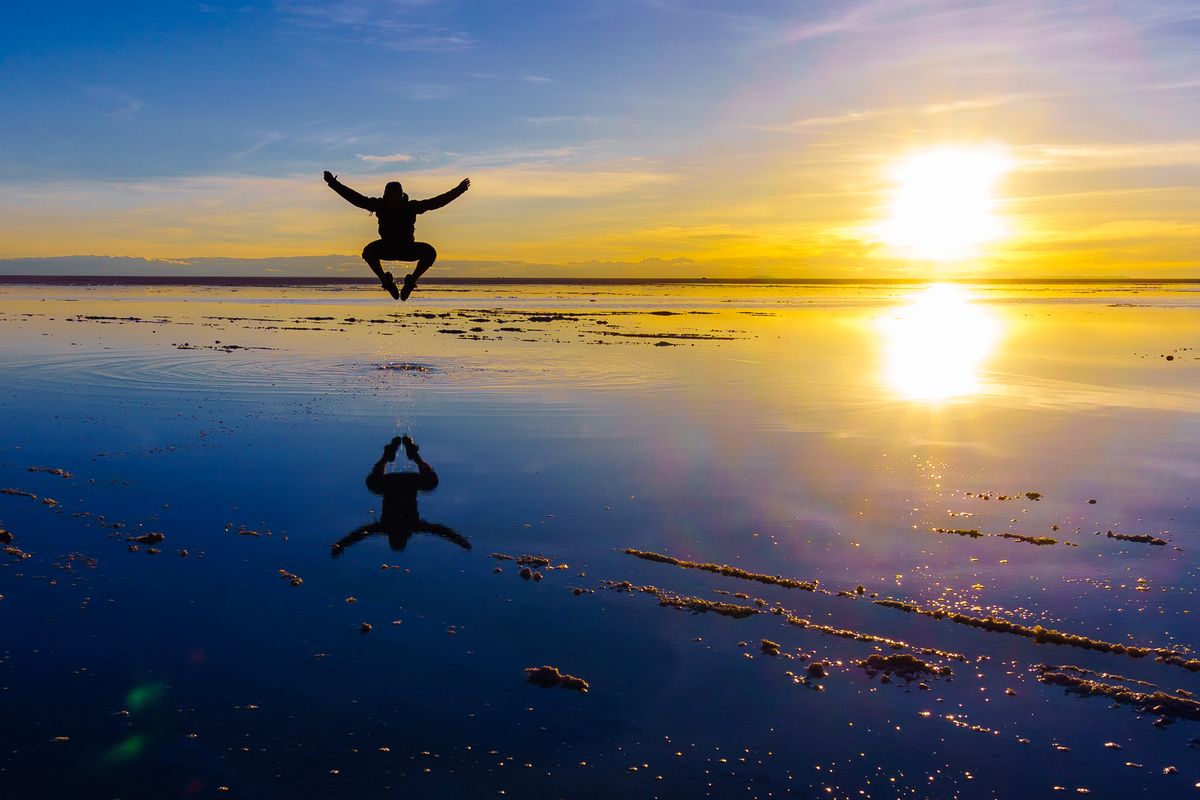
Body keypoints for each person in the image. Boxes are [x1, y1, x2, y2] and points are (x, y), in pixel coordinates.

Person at [323, 171, 470, 300]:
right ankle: (386, 282)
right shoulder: (380, 205)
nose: (394, 200)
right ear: (386, 196)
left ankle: (410, 282)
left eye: (397, 196)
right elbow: (356, 199)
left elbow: (436, 202)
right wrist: (334, 183)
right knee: (368, 251)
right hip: (387, 247)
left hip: (408, 248)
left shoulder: (411, 207)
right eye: (391, 196)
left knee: (430, 252)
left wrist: (459, 190)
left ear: (401, 195)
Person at [331, 436, 469, 556]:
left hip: (393, 484)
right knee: (432, 483)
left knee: (372, 484)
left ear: (391, 536)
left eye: (395, 536)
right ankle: (413, 455)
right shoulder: (411, 526)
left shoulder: (388, 526)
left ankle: (388, 456)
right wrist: (458, 539)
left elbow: (360, 534)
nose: (397, 533)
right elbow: (439, 530)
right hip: (406, 483)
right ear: (405, 536)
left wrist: (342, 544)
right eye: (400, 536)